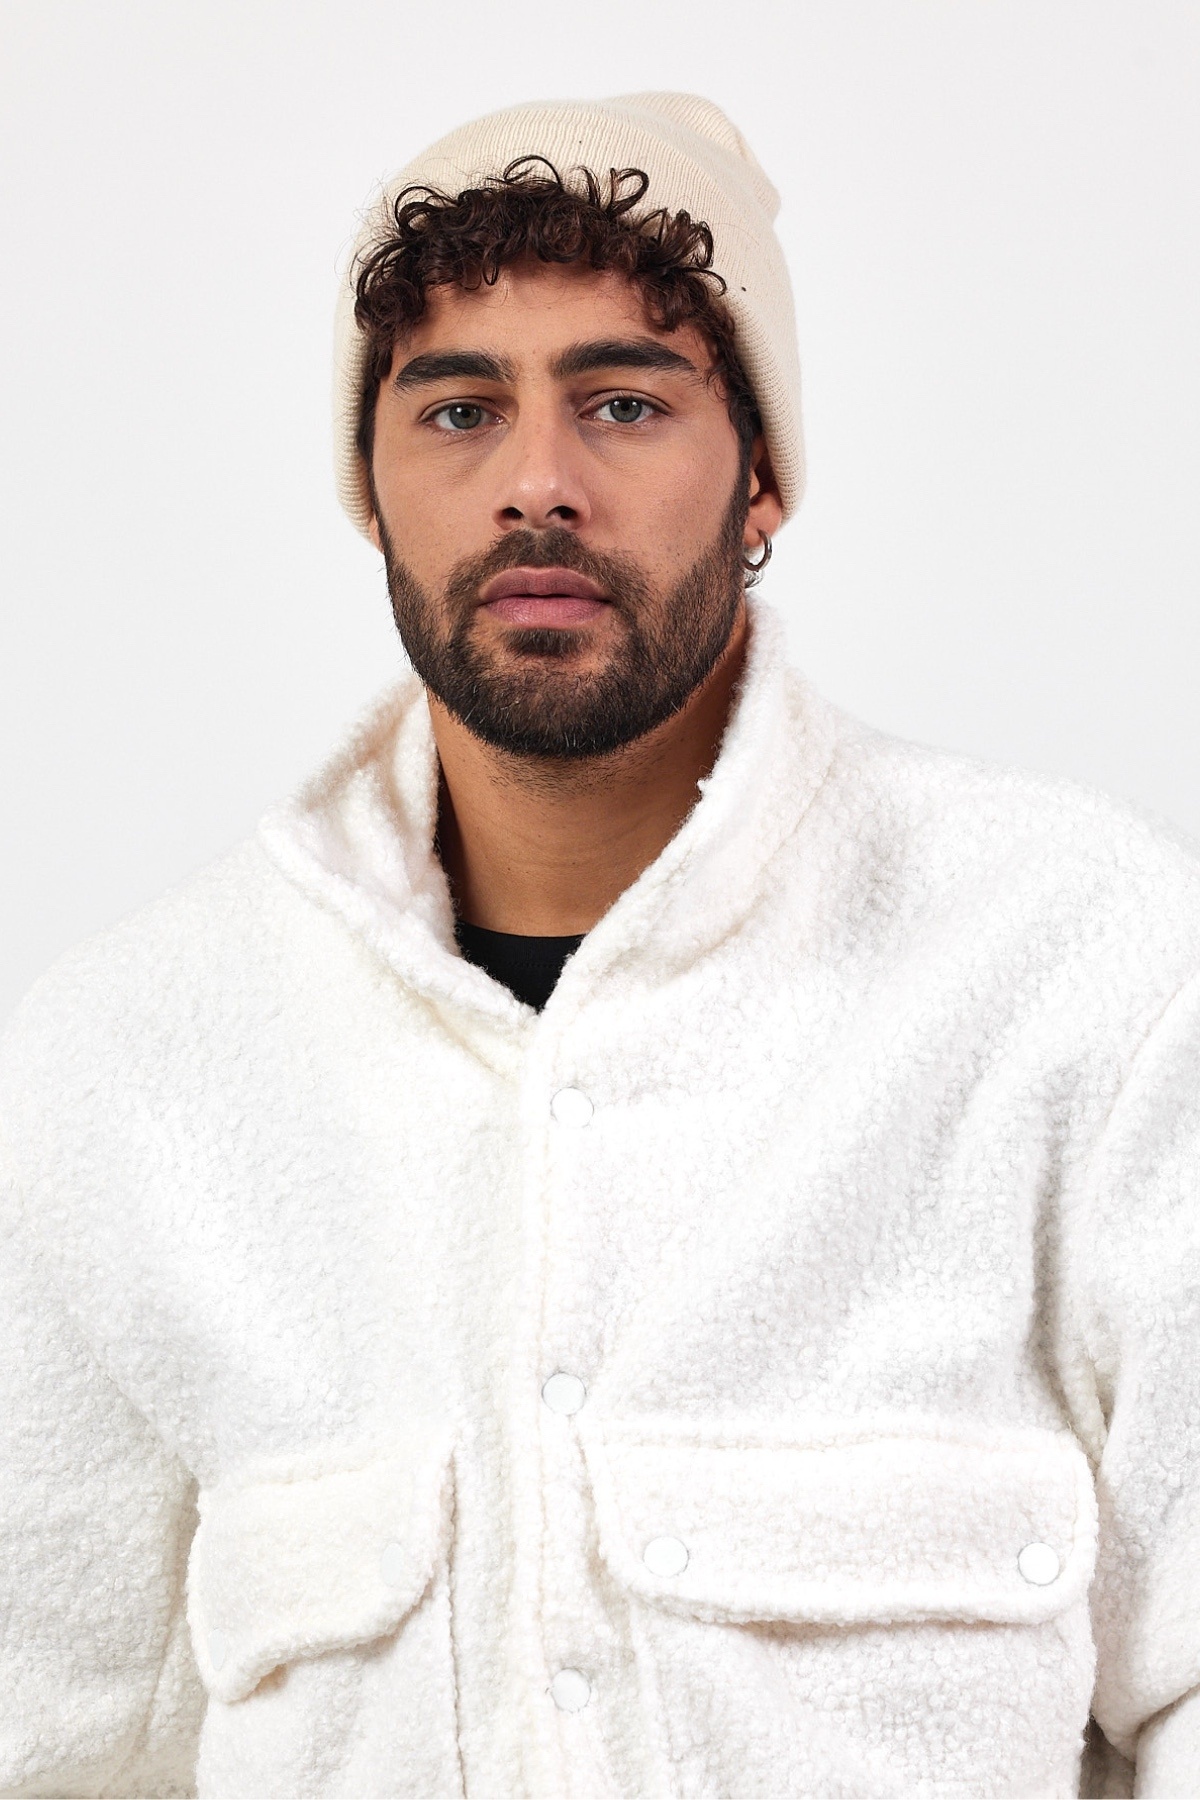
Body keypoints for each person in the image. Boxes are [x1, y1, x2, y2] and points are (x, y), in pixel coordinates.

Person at [0, 91, 1197, 1800]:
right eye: (458, 411)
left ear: (762, 475)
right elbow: (55, 1751)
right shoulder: (121, 1070)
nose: (536, 487)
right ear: (370, 492)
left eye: (624, 402)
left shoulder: (1084, 973)